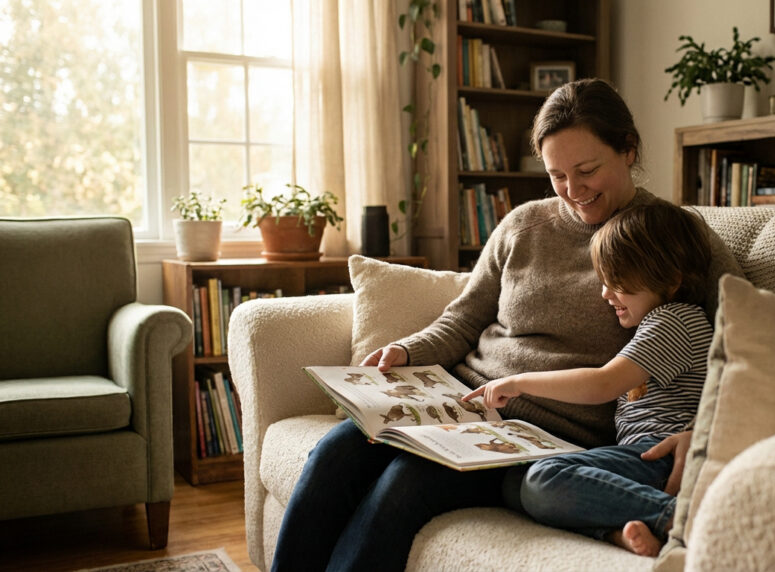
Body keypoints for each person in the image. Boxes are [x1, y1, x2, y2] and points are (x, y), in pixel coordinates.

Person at [270, 78, 697, 571]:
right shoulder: (523, 225)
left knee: (406, 482)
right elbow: (464, 317)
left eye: (587, 171)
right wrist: (406, 353)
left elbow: (738, 342)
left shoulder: (672, 236)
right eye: (557, 175)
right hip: (460, 398)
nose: (573, 192)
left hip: (545, 435)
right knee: (336, 452)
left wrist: (699, 429)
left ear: (628, 151)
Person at [463, 202, 713, 556]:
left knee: (543, 478)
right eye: (605, 281)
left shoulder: (676, 321)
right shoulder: (656, 323)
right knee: (515, 483)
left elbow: (601, 384)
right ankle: (620, 533)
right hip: (639, 457)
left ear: (671, 281)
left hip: (661, 456)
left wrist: (519, 383)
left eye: (618, 283)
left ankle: (685, 520)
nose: (605, 294)